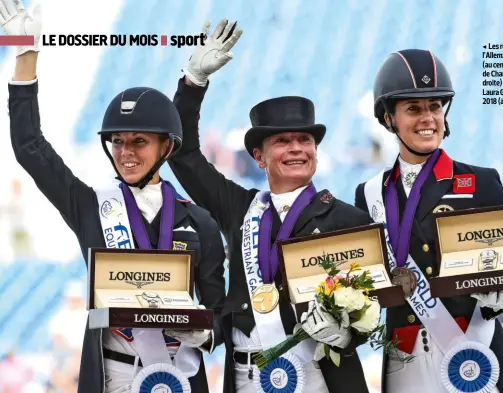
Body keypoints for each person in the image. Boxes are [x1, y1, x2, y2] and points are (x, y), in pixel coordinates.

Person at [2, 2, 226, 393]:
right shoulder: (90, 206)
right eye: (117, 142)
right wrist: (24, 54)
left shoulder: (201, 222)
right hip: (112, 378)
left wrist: (201, 329)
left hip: (181, 377)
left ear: (167, 147)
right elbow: (29, 146)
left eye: (139, 141)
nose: (126, 152)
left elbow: (222, 314)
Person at [167, 20, 373, 393]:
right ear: (259, 158)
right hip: (247, 377)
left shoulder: (348, 219)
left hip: (318, 375)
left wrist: (347, 333)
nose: (296, 148)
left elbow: (368, 312)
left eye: (304, 139)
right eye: (282, 141)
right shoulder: (238, 207)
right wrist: (192, 84)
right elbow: (184, 156)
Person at [354, 49, 503, 393]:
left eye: (435, 106)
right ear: (388, 119)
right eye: (413, 108)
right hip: (404, 364)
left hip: (474, 357)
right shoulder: (368, 195)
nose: (428, 118)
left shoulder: (482, 183)